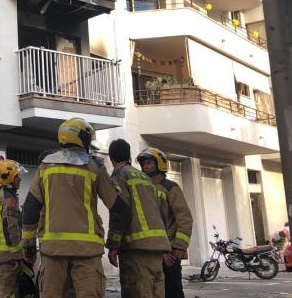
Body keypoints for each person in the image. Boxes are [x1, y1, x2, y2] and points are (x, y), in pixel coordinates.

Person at [21, 118, 127, 298]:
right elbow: (118, 207)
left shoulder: (45, 168)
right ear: (82, 139)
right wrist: (115, 243)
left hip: (53, 252)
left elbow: (30, 208)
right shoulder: (95, 168)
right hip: (87, 253)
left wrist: (28, 246)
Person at [106, 140, 171, 298]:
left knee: (137, 292)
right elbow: (160, 210)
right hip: (157, 247)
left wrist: (113, 245)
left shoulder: (119, 175)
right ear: (129, 155)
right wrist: (164, 244)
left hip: (136, 250)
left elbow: (119, 211)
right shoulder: (144, 177)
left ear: (111, 158)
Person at [138, 147, 193, 298]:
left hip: (169, 251)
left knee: (172, 291)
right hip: (151, 251)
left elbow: (184, 217)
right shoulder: (142, 188)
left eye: (149, 163)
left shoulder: (170, 187)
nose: (146, 167)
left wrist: (180, 246)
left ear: (159, 164)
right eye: (144, 164)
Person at [0, 158, 28, 298]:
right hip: (8, 257)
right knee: (8, 293)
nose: (20, 179)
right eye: (17, 176)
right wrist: (17, 256)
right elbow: (11, 228)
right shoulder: (7, 198)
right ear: (9, 178)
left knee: (7, 291)